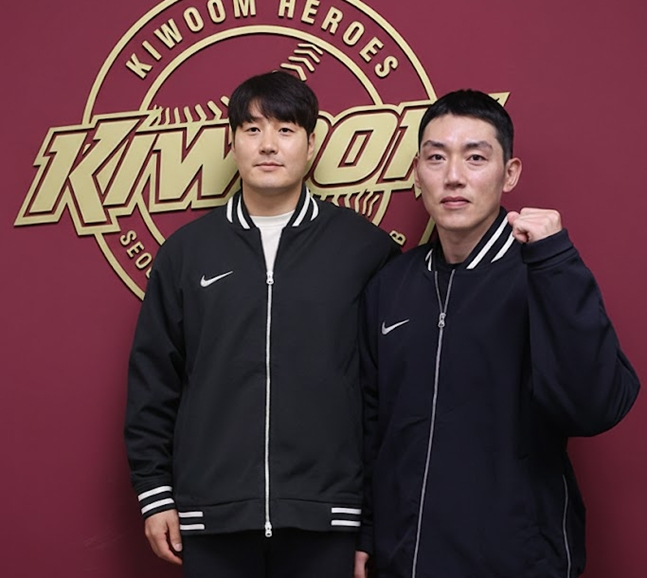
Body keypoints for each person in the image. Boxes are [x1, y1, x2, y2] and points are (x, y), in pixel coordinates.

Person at [354, 89, 640, 578]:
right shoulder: (391, 285)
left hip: (518, 562)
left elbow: (597, 406)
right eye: (436, 157)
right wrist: (366, 531)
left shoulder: (544, 271)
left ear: (509, 174)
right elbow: (370, 422)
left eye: (476, 157)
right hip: (406, 561)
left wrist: (555, 262)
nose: (454, 176)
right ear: (417, 172)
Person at [125, 70, 398, 578]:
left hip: (327, 516)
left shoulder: (365, 250)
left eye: (286, 129)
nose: (268, 145)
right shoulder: (186, 253)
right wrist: (155, 492)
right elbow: (154, 380)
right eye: (252, 129)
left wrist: (371, 522)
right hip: (214, 515)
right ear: (232, 142)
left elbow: (385, 393)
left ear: (311, 144)